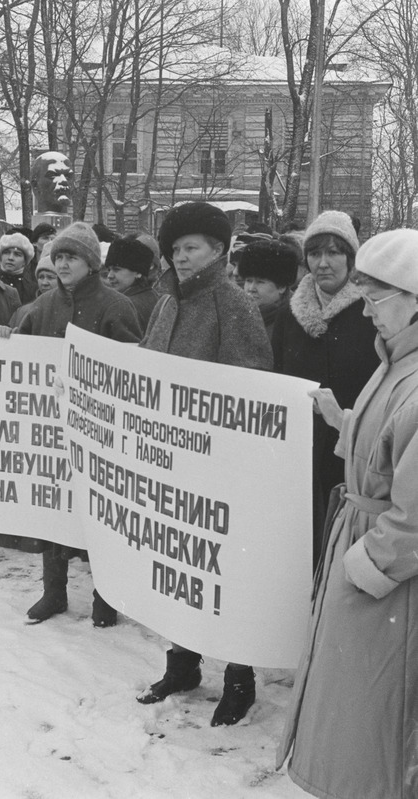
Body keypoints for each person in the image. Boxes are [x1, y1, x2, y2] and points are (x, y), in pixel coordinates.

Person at [277, 228, 418, 799]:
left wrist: (365, 565)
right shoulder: (396, 365)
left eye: (378, 299)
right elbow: (387, 449)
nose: (368, 314)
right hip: (364, 550)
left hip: (391, 583)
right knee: (356, 704)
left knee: (377, 712)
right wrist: (345, 423)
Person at [136, 201, 273, 726]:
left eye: (192, 247)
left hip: (219, 462)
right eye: (175, 249)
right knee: (181, 565)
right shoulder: (166, 301)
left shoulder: (233, 302)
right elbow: (146, 362)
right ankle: (183, 664)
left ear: (218, 249)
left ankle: (240, 678)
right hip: (171, 457)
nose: (182, 256)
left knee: (226, 570)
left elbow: (252, 381)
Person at [0, 222, 142, 625]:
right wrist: (5, 335)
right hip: (52, 425)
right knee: (54, 506)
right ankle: (53, 591)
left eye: (71, 257)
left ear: (91, 263)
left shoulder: (115, 305)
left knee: (100, 512)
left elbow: (133, 363)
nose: (62, 263)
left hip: (101, 428)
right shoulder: (44, 305)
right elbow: (22, 353)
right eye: (58, 256)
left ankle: (105, 595)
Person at [271, 210, 379, 569]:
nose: (323, 262)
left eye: (334, 252)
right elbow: (276, 373)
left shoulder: (371, 312)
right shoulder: (290, 314)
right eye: (315, 253)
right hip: (301, 448)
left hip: (355, 447)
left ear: (351, 257)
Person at [238, 239, 299, 337]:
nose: (251, 288)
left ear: (281, 286)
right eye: (249, 281)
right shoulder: (234, 314)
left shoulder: (294, 322)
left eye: (260, 282)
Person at [105, 235, 161, 331]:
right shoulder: (153, 297)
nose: (109, 275)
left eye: (116, 269)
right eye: (109, 270)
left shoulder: (125, 307)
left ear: (138, 272)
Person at [0, 231, 37, 305]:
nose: (10, 258)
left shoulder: (32, 289)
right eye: (6, 253)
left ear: (25, 261)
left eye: (17, 254)